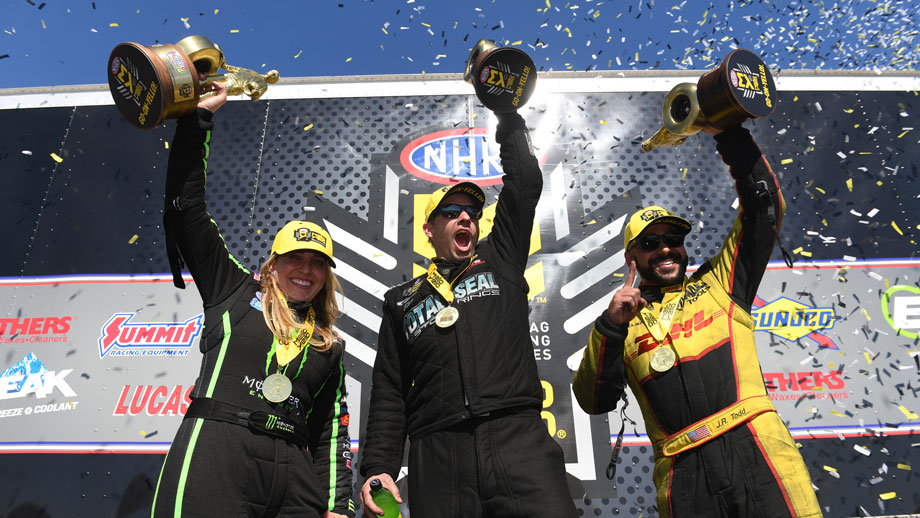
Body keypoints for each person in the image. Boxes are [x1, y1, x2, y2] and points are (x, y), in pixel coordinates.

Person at [572, 124, 822, 518]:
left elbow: (764, 210)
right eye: (650, 243)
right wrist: (611, 326)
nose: (665, 249)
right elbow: (594, 401)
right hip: (682, 472)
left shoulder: (720, 281)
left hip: (756, 446)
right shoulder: (620, 323)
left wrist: (728, 132)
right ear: (631, 258)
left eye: (673, 239)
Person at [151, 80, 355, 518]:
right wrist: (197, 121)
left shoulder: (328, 344)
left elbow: (331, 433)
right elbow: (188, 212)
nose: (305, 269)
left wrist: (337, 504)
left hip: (293, 470)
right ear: (272, 265)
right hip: (219, 448)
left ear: (327, 276)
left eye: (317, 263)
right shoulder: (233, 290)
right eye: (294, 258)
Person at [359, 111, 576, 518]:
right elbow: (389, 390)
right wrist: (379, 466)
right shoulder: (401, 301)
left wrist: (507, 114)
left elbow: (525, 183)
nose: (465, 218)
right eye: (451, 211)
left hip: (517, 438)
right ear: (429, 229)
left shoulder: (500, 259)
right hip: (439, 453)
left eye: (472, 214)